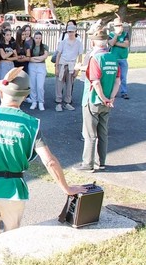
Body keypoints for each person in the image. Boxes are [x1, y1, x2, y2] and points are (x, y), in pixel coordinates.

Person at [0, 67, 86, 238]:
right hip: (14, 190)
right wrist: (66, 188)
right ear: (25, 96)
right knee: (11, 239)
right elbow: (50, 161)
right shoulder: (31, 124)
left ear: (1, 93)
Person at [72, 28, 121, 173]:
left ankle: (88, 164)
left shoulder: (95, 59)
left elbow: (95, 82)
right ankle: (102, 162)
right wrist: (111, 97)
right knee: (103, 132)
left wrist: (103, 97)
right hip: (107, 103)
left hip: (93, 100)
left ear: (93, 42)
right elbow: (118, 81)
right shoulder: (113, 57)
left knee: (89, 134)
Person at [54, 24, 83, 112]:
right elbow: (58, 55)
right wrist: (56, 67)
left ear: (75, 32)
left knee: (70, 84)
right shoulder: (63, 42)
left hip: (72, 65)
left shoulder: (78, 43)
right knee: (59, 84)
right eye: (69, 32)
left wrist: (77, 69)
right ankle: (58, 103)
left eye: (72, 32)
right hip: (62, 64)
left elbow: (80, 56)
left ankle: (67, 102)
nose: (70, 33)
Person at [108, 15, 130, 99]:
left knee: (123, 77)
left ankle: (124, 92)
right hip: (113, 58)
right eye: (117, 26)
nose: (119, 27)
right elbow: (111, 43)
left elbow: (126, 44)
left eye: (120, 25)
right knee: (113, 76)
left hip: (123, 58)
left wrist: (116, 43)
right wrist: (116, 35)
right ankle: (113, 92)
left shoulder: (125, 34)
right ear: (114, 27)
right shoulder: (111, 34)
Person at [28, 31, 49, 111]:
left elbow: (44, 56)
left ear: (41, 38)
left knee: (40, 86)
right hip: (32, 66)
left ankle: (41, 102)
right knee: (32, 85)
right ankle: (34, 101)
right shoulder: (30, 47)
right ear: (34, 38)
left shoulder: (44, 47)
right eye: (36, 38)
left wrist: (36, 58)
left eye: (39, 38)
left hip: (41, 66)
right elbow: (29, 58)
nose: (38, 40)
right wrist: (38, 58)